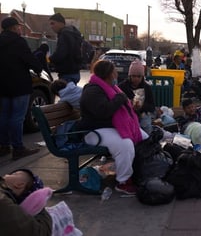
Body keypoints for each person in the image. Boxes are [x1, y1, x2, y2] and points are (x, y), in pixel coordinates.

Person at [76, 60, 149, 195]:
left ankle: (139, 170)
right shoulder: (92, 90)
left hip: (108, 128)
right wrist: (120, 99)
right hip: (93, 131)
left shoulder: (110, 88)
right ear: (108, 74)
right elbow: (103, 111)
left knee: (145, 138)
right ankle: (123, 181)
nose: (116, 73)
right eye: (114, 71)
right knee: (125, 145)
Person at [0, 17, 42, 160]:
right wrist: (38, 67)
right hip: (19, 85)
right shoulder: (18, 42)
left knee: (4, 116)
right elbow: (29, 59)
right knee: (17, 117)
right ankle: (18, 148)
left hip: (2, 86)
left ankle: (4, 146)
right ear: (13, 28)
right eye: (18, 26)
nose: (20, 29)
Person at [0, 169, 52, 235]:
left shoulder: (4, 203)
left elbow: (41, 232)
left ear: (19, 184)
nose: (7, 174)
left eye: (14, 174)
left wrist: (39, 204)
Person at [118, 59, 156, 134]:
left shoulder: (147, 87)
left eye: (139, 76)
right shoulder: (122, 87)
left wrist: (142, 106)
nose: (136, 79)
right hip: (127, 115)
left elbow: (152, 106)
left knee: (146, 125)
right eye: (134, 76)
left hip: (143, 115)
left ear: (142, 77)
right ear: (130, 76)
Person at [48, 13, 82, 84]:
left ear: (60, 23)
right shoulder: (73, 33)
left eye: (53, 23)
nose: (51, 26)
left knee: (67, 94)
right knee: (72, 93)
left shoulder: (64, 34)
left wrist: (50, 59)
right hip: (75, 71)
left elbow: (60, 53)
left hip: (67, 73)